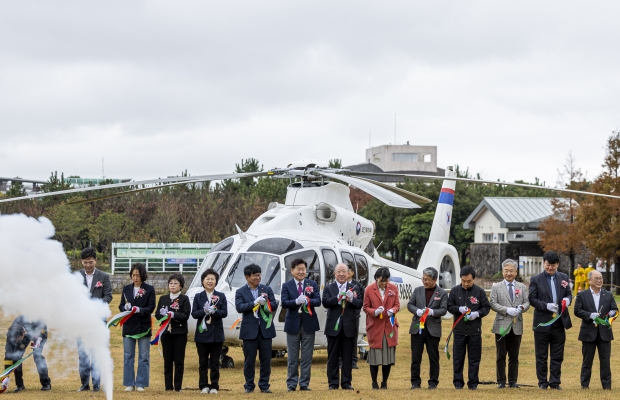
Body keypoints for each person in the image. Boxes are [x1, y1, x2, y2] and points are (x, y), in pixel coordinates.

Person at [528, 250, 572, 390]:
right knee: (541, 355)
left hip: (559, 322)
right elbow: (532, 299)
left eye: (553, 265)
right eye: (548, 265)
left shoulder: (564, 277)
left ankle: (554, 382)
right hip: (542, 322)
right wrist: (546, 306)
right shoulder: (535, 279)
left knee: (557, 355)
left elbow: (569, 294)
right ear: (543, 263)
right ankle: (542, 382)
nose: (550, 268)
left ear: (558, 264)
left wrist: (568, 300)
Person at [235, 264, 278, 393]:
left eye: (259, 275)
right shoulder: (240, 291)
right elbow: (240, 307)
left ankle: (264, 385)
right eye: (254, 275)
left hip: (266, 330)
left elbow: (274, 305)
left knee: (266, 360)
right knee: (249, 360)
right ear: (247, 277)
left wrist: (267, 303)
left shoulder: (267, 289)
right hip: (249, 331)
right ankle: (249, 385)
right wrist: (254, 303)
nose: (257, 277)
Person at [447, 265, 490, 390]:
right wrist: (458, 309)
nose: (466, 283)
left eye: (469, 281)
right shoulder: (455, 291)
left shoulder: (480, 292)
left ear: (474, 279)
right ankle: (458, 383)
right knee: (458, 358)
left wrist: (477, 314)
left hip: (474, 331)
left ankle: (473, 383)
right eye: (463, 281)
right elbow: (449, 306)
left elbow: (486, 308)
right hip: (459, 330)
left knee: (474, 358)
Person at [281, 259, 321, 392]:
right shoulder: (286, 285)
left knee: (307, 356)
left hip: (309, 324)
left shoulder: (312, 283)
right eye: (298, 269)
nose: (301, 271)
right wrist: (296, 301)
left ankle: (304, 383)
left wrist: (308, 300)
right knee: (292, 356)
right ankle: (291, 384)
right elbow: (284, 302)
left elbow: (318, 301)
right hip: (293, 324)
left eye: (303, 269)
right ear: (292, 271)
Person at [489, 259, 530, 388]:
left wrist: (521, 308)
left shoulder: (522, 287)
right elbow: (493, 303)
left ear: (516, 272)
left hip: (516, 325)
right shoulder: (496, 287)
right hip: (501, 324)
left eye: (511, 271)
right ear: (502, 271)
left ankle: (513, 381)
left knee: (514, 355)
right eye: (506, 270)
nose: (509, 273)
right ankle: (501, 381)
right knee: (500, 355)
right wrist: (507, 310)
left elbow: (527, 302)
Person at [574, 270, 617, 390]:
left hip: (605, 333)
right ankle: (584, 385)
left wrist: (612, 315)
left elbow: (615, 309)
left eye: (601, 278)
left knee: (605, 361)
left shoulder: (608, 295)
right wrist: (589, 315)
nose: (599, 280)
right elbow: (577, 310)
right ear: (589, 281)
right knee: (587, 361)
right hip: (588, 332)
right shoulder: (582, 295)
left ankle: (607, 385)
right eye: (596, 278)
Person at [322, 263, 362, 390]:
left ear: (348, 273)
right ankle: (333, 383)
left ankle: (346, 382)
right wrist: (337, 298)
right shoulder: (329, 288)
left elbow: (359, 304)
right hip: (333, 327)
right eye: (339, 271)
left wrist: (352, 299)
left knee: (347, 356)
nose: (341, 274)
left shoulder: (354, 288)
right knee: (333, 356)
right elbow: (325, 302)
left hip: (349, 327)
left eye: (344, 271)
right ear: (334, 274)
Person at [77, 247, 112, 392]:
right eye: (85, 262)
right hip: (81, 321)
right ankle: (84, 384)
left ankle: (96, 385)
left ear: (95, 261)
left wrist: (96, 306)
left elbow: (108, 296)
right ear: (82, 262)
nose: (88, 265)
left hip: (98, 320)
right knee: (83, 354)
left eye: (90, 262)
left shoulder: (103, 277)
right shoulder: (76, 276)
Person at [408, 267, 448, 390]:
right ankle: (415, 382)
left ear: (435, 279)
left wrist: (432, 312)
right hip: (417, 328)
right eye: (423, 279)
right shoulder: (418, 290)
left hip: (433, 329)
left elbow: (443, 310)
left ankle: (433, 382)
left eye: (427, 279)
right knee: (416, 356)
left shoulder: (442, 293)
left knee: (433, 357)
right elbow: (410, 304)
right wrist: (417, 311)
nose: (424, 281)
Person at [118, 263, 156, 392]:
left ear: (143, 276)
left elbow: (151, 307)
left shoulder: (149, 289)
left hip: (143, 326)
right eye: (133, 275)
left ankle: (141, 383)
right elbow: (121, 305)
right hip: (129, 326)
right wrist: (125, 308)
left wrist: (139, 309)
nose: (135, 278)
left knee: (144, 356)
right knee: (128, 355)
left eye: (138, 275)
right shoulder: (126, 289)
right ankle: (129, 383)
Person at [362, 267, 399, 390]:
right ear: (376, 279)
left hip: (389, 326)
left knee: (387, 356)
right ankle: (374, 382)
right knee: (375, 356)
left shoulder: (393, 289)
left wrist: (392, 311)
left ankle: (384, 382)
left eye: (385, 281)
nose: (383, 284)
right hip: (375, 327)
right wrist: (375, 312)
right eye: (381, 281)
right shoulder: (368, 290)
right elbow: (366, 307)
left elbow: (397, 305)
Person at [192, 269, 228, 394]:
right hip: (202, 334)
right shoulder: (198, 296)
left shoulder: (221, 296)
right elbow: (194, 314)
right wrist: (205, 311)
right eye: (207, 279)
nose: (210, 281)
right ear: (203, 281)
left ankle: (214, 386)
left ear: (216, 282)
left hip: (216, 334)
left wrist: (214, 311)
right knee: (202, 362)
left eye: (212, 279)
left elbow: (224, 313)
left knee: (215, 362)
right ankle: (203, 385)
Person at [155, 274, 191, 392]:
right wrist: (164, 315)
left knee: (179, 360)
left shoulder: (184, 299)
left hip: (179, 333)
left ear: (181, 286)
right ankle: (168, 386)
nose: (173, 285)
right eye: (171, 283)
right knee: (168, 360)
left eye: (176, 283)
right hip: (166, 333)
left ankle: (178, 386)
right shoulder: (163, 299)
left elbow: (185, 315)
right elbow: (157, 314)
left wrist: (173, 315)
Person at [3, 316, 51, 392]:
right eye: (15, 340)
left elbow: (42, 329)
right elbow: (8, 356)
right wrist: (6, 376)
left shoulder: (35, 321)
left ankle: (46, 383)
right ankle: (20, 385)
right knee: (16, 357)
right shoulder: (11, 333)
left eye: (17, 340)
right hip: (26, 333)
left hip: (39, 332)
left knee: (37, 356)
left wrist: (39, 339)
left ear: (23, 333)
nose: (16, 341)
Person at [346, 262, 364, 369]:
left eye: (347, 271)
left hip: (354, 315)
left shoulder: (357, 286)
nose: (345, 273)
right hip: (342, 314)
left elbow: (361, 300)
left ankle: (353, 360)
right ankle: (341, 360)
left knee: (353, 338)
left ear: (352, 273)